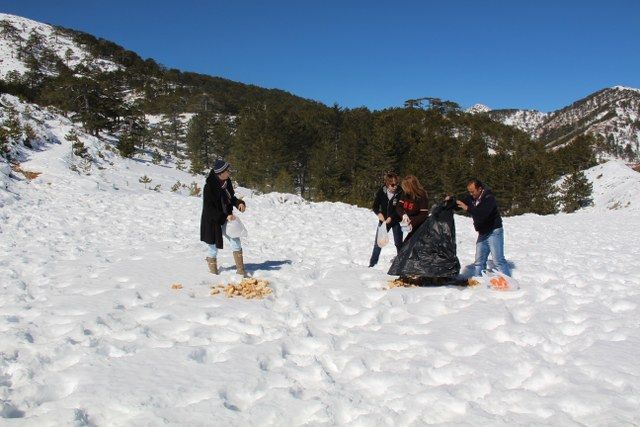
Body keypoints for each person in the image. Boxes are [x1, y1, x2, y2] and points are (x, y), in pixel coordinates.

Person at [200, 159, 247, 276]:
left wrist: (239, 203)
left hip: (227, 218)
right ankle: (213, 273)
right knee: (213, 247)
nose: (229, 173)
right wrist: (225, 216)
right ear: (220, 173)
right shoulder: (209, 187)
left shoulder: (227, 182)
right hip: (213, 220)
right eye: (227, 171)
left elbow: (231, 198)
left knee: (235, 239)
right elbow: (208, 209)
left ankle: (241, 271)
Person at [455, 178, 511, 277]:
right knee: (479, 261)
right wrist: (451, 200)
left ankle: (507, 282)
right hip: (482, 232)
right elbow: (460, 202)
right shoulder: (472, 198)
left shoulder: (489, 198)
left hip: (494, 231)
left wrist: (467, 208)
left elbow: (481, 214)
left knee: (498, 260)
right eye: (469, 192)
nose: (471, 194)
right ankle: (479, 281)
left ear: (480, 189)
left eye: (472, 191)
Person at [369, 172, 403, 267]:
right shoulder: (381, 191)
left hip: (396, 221)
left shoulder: (400, 192)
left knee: (398, 243)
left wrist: (391, 217)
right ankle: (372, 264)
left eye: (396, 184)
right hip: (383, 222)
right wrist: (379, 214)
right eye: (392, 185)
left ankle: (401, 265)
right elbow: (375, 206)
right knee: (378, 244)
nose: (395, 186)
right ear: (387, 184)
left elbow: (400, 208)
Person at [396, 175, 430, 243]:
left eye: (406, 186)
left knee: (408, 245)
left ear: (411, 186)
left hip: (420, 226)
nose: (404, 189)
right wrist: (403, 215)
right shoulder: (405, 193)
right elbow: (399, 207)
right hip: (408, 224)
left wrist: (412, 222)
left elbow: (423, 214)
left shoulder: (422, 195)